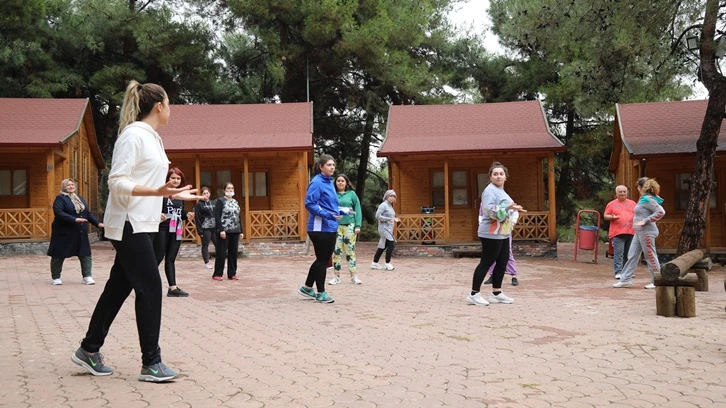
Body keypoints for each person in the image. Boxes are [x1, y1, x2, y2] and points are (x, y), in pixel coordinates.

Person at [71, 80, 201, 383]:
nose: (171, 110)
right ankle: (151, 363)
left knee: (120, 285)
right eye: (169, 104)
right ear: (159, 106)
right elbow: (116, 181)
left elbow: (150, 183)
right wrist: (157, 191)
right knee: (151, 287)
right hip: (129, 222)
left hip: (144, 222)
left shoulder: (153, 138)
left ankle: (89, 349)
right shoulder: (132, 136)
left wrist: (170, 194)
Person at [467, 162, 525, 306]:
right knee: (486, 262)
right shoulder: (489, 191)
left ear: (505, 176)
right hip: (490, 233)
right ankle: (474, 294)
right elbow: (488, 210)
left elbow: (506, 206)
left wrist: (514, 208)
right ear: (490, 177)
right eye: (495, 174)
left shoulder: (501, 190)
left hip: (503, 232)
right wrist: (507, 208)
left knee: (502, 262)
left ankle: (496, 293)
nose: (498, 176)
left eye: (501, 174)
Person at [298, 154, 349, 304]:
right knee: (323, 260)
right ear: (321, 167)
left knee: (322, 259)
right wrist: (327, 215)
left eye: (333, 165)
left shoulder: (329, 182)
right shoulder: (317, 182)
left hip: (330, 226)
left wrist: (342, 210)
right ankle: (321, 293)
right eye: (328, 165)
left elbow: (329, 205)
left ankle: (307, 288)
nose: (332, 167)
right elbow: (309, 204)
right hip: (319, 227)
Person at [47, 178, 104, 285]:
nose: (71, 186)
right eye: (68, 185)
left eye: (72, 185)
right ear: (63, 187)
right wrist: (74, 219)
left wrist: (98, 224)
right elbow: (58, 212)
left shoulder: (79, 198)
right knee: (59, 254)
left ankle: (87, 276)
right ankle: (56, 277)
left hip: (80, 231)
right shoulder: (60, 199)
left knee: (85, 253)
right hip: (64, 232)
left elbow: (87, 213)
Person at [613, 177, 665, 289]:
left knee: (650, 256)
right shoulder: (644, 198)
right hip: (639, 232)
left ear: (640, 187)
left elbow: (661, 212)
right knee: (632, 255)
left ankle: (657, 281)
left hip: (647, 232)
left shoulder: (647, 199)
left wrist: (645, 220)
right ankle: (625, 280)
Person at [154, 167, 195, 297]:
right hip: (162, 228)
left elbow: (179, 212)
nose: (176, 180)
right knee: (157, 257)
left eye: (178, 178)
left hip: (176, 228)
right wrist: (158, 214)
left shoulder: (180, 195)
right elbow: (151, 208)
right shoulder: (161, 193)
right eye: (173, 178)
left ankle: (173, 288)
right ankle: (145, 284)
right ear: (167, 179)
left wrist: (186, 214)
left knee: (171, 258)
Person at [328, 174, 363, 285]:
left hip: (350, 225)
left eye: (342, 181)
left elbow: (358, 209)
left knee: (350, 251)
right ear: (335, 182)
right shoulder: (332, 194)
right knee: (336, 251)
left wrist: (358, 225)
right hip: (336, 226)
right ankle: (336, 276)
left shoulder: (352, 194)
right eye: (338, 180)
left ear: (346, 183)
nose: (340, 182)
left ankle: (354, 276)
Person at [604, 185, 637, 280]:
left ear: (627, 193)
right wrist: (612, 217)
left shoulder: (632, 203)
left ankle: (627, 272)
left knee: (629, 253)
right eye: (620, 192)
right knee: (619, 253)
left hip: (631, 231)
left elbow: (637, 214)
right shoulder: (611, 204)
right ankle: (618, 272)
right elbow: (605, 216)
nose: (622, 193)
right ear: (616, 193)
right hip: (617, 232)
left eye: (624, 191)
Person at [213, 182, 244, 280]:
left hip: (235, 231)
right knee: (221, 253)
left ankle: (232, 273)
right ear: (224, 190)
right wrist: (221, 230)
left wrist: (241, 231)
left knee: (233, 253)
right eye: (228, 188)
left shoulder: (235, 202)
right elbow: (217, 216)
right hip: (224, 231)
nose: (230, 190)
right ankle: (217, 274)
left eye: (232, 188)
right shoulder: (220, 201)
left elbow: (239, 217)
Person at [370, 190, 400, 271]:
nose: (392, 198)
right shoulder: (383, 205)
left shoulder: (390, 206)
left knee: (383, 246)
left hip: (389, 228)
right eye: (391, 196)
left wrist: (394, 219)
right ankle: (387, 263)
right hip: (384, 228)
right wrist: (388, 219)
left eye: (394, 196)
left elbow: (390, 217)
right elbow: (377, 216)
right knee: (391, 244)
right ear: (386, 196)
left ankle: (374, 263)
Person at [194, 186, 217, 269]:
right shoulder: (199, 205)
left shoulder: (213, 203)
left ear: (209, 194)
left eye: (207, 193)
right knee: (205, 245)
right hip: (205, 228)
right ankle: (207, 262)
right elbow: (197, 218)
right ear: (201, 194)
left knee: (218, 244)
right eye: (204, 193)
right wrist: (199, 231)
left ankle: (220, 261)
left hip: (214, 228)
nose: (206, 195)